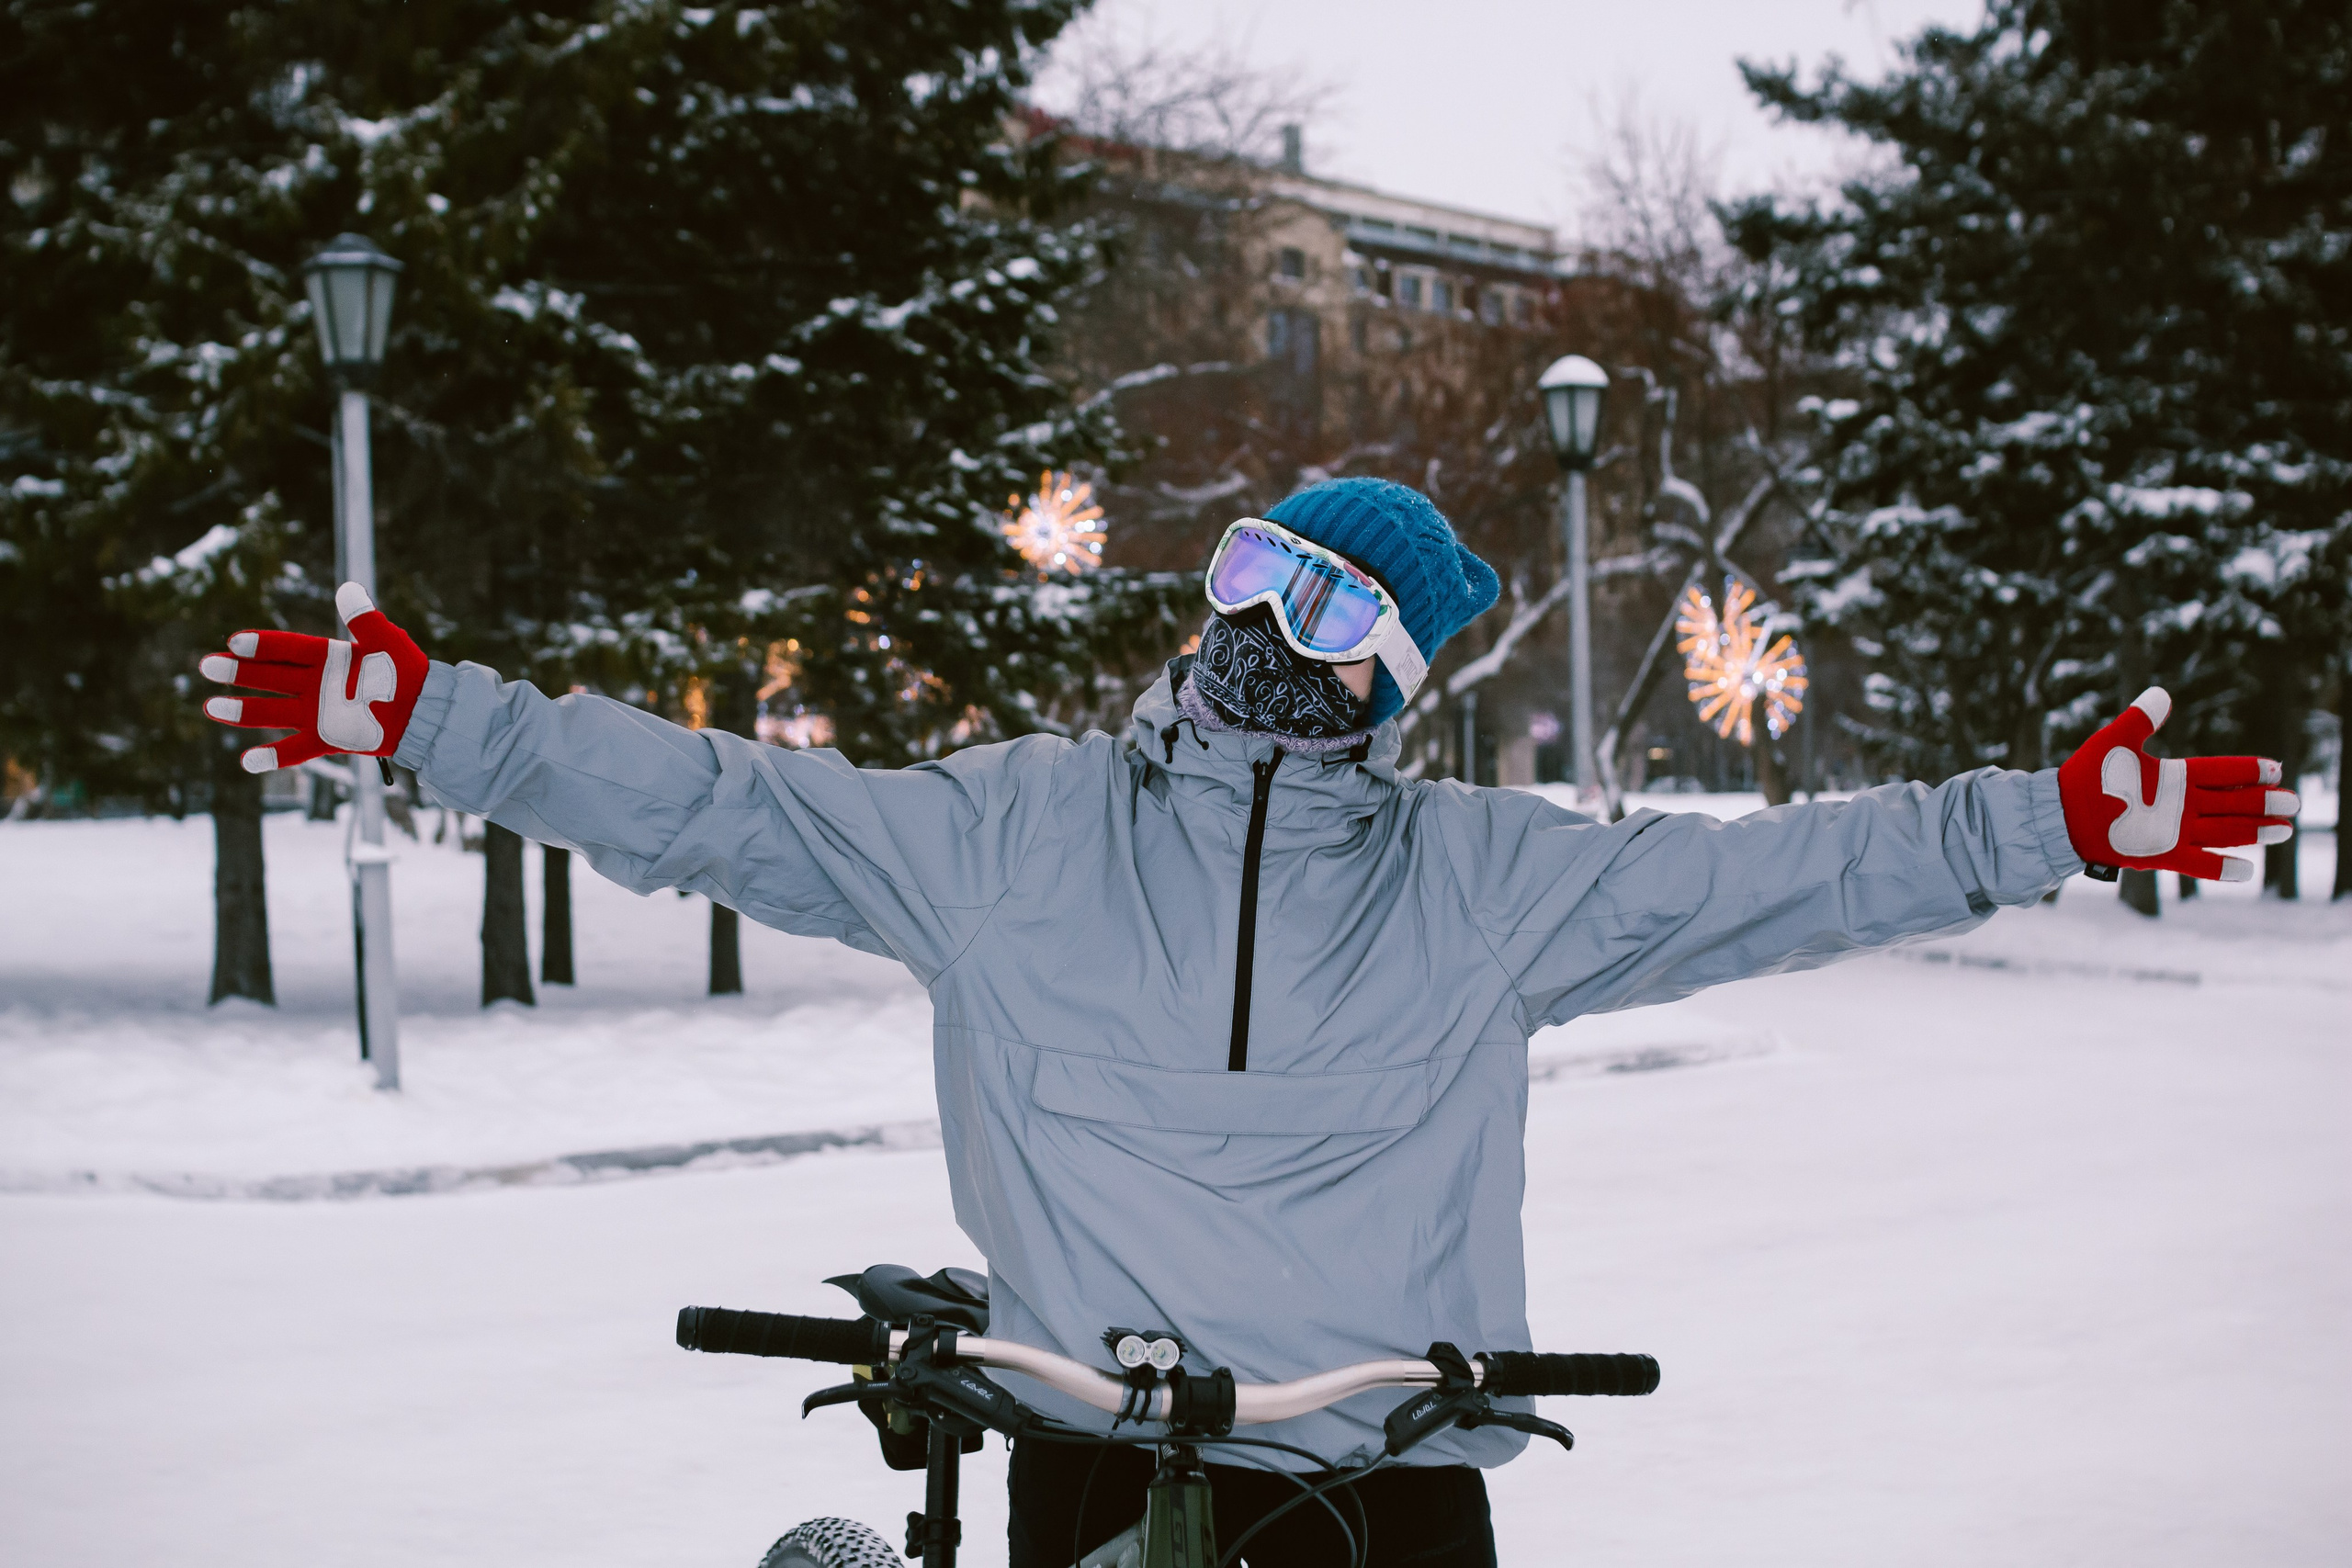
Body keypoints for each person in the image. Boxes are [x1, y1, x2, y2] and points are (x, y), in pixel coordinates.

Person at [198, 477, 2298, 1566]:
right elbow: (719, 805)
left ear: (1395, 682)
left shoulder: (1488, 878)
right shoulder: (1010, 827)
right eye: (1243, 578)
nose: (1260, 639)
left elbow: (1782, 871)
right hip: (1089, 1456)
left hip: (1382, 1476)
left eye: (1326, 618)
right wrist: (442, 720)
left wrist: (2042, 821)